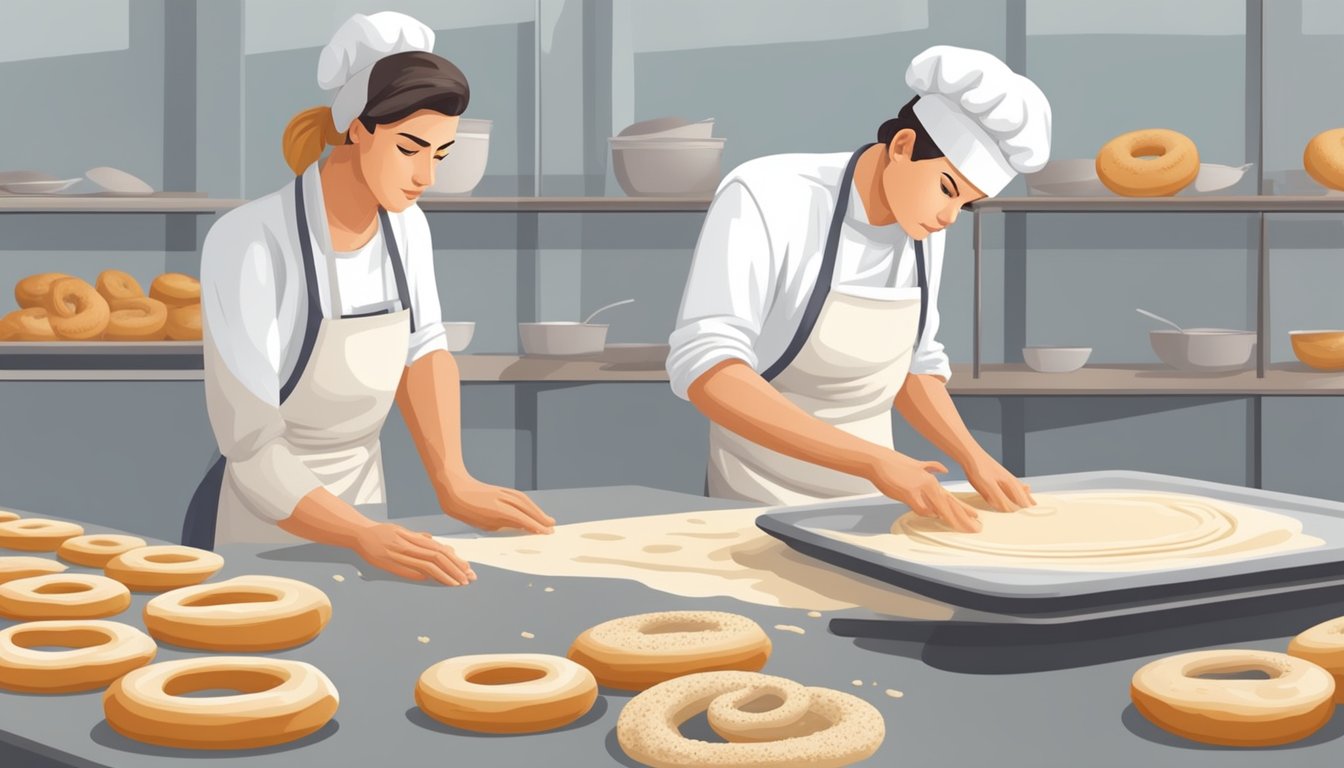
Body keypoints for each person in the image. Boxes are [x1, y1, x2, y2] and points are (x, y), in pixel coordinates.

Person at [183, 12, 554, 585]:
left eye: (441, 154)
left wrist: (452, 478)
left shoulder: (407, 227)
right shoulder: (251, 239)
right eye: (411, 148)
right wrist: (357, 533)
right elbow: (251, 444)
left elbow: (424, 351)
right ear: (358, 128)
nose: (426, 176)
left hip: (373, 512)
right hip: (265, 525)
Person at [667, 46, 1052, 533]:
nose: (949, 217)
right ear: (902, 146)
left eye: (969, 204)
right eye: (949, 190)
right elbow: (709, 370)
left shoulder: (923, 224)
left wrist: (974, 458)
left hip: (880, 500)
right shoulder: (767, 194)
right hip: (758, 497)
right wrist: (871, 461)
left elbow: (915, 365)